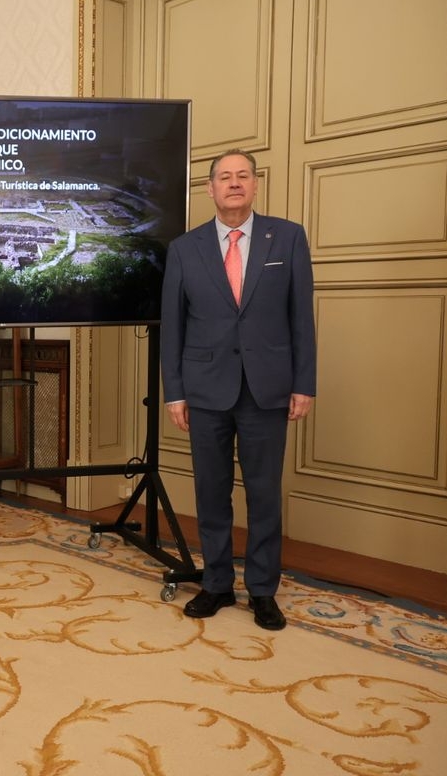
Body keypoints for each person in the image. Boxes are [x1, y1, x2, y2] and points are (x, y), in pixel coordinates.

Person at [160, 149, 316, 631]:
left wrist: (303, 384)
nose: (233, 184)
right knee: (211, 491)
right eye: (224, 177)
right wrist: (175, 392)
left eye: (242, 176)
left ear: (255, 185)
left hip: (268, 388)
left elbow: (301, 319)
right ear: (210, 189)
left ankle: (264, 591)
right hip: (204, 390)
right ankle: (218, 584)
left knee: (264, 493)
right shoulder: (184, 248)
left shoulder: (287, 238)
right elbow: (174, 326)